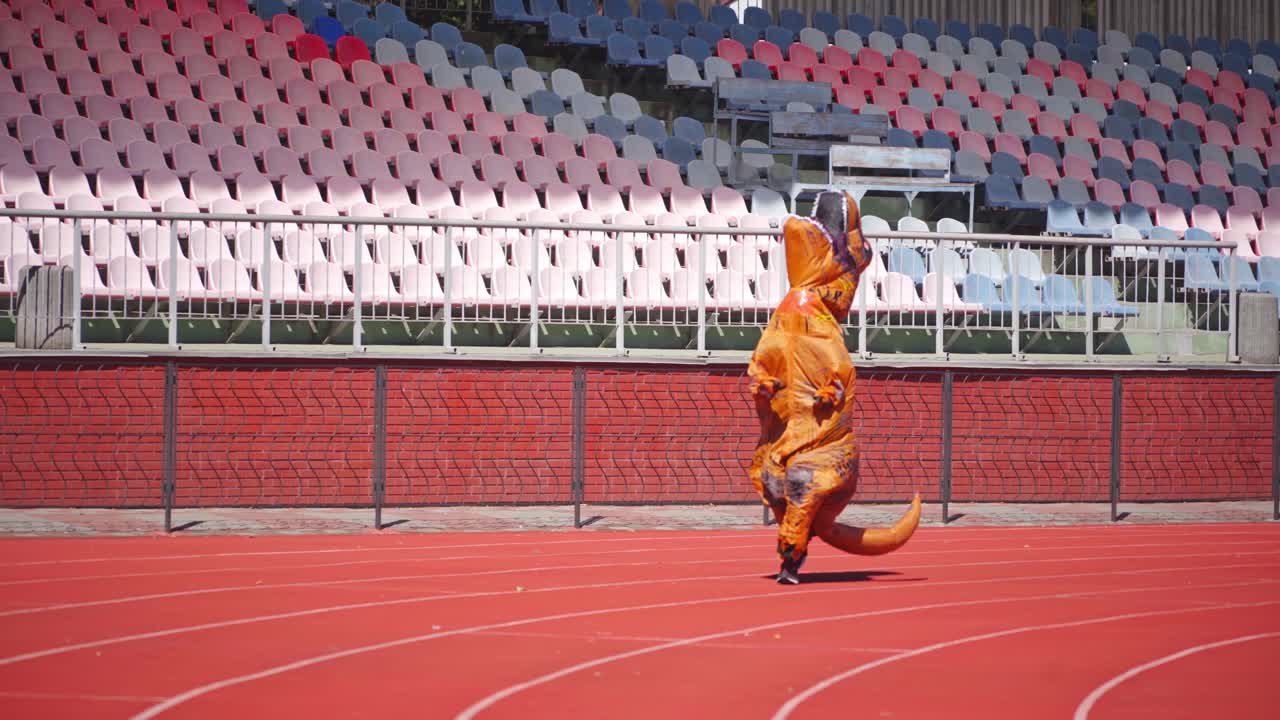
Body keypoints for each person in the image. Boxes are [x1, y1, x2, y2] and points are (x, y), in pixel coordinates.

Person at [747, 190, 922, 584]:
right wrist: (763, 382)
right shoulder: (796, 310)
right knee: (780, 480)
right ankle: (795, 543)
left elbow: (837, 371)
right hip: (788, 423)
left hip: (818, 438)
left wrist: (828, 391)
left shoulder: (818, 316)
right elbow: (770, 359)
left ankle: (792, 552)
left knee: (803, 480)